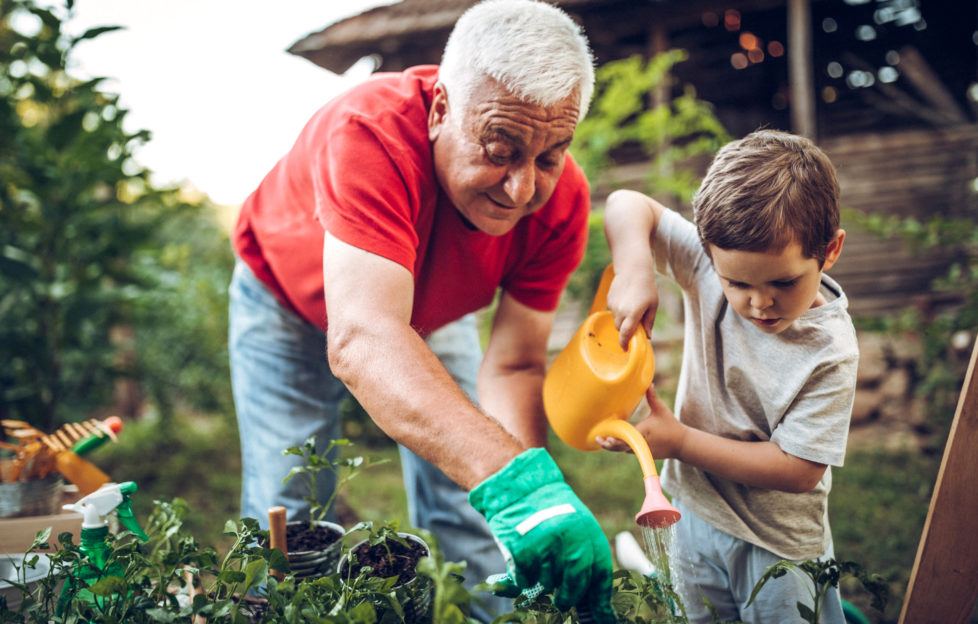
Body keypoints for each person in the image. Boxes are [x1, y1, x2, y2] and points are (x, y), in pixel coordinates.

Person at [228, 0, 615, 621]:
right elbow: (365, 337)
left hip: (427, 313)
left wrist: (540, 497)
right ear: (440, 110)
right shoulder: (370, 131)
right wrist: (516, 482)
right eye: (499, 148)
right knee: (293, 506)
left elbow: (514, 366)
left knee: (477, 502)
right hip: (286, 301)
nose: (521, 190)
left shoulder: (561, 202)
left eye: (548, 156)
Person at [599, 130, 857, 623]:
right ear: (708, 251)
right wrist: (635, 268)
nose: (759, 303)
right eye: (737, 283)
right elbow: (626, 203)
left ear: (830, 250)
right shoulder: (702, 263)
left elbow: (799, 471)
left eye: (783, 282)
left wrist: (678, 441)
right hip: (693, 514)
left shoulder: (829, 350)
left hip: (779, 548)